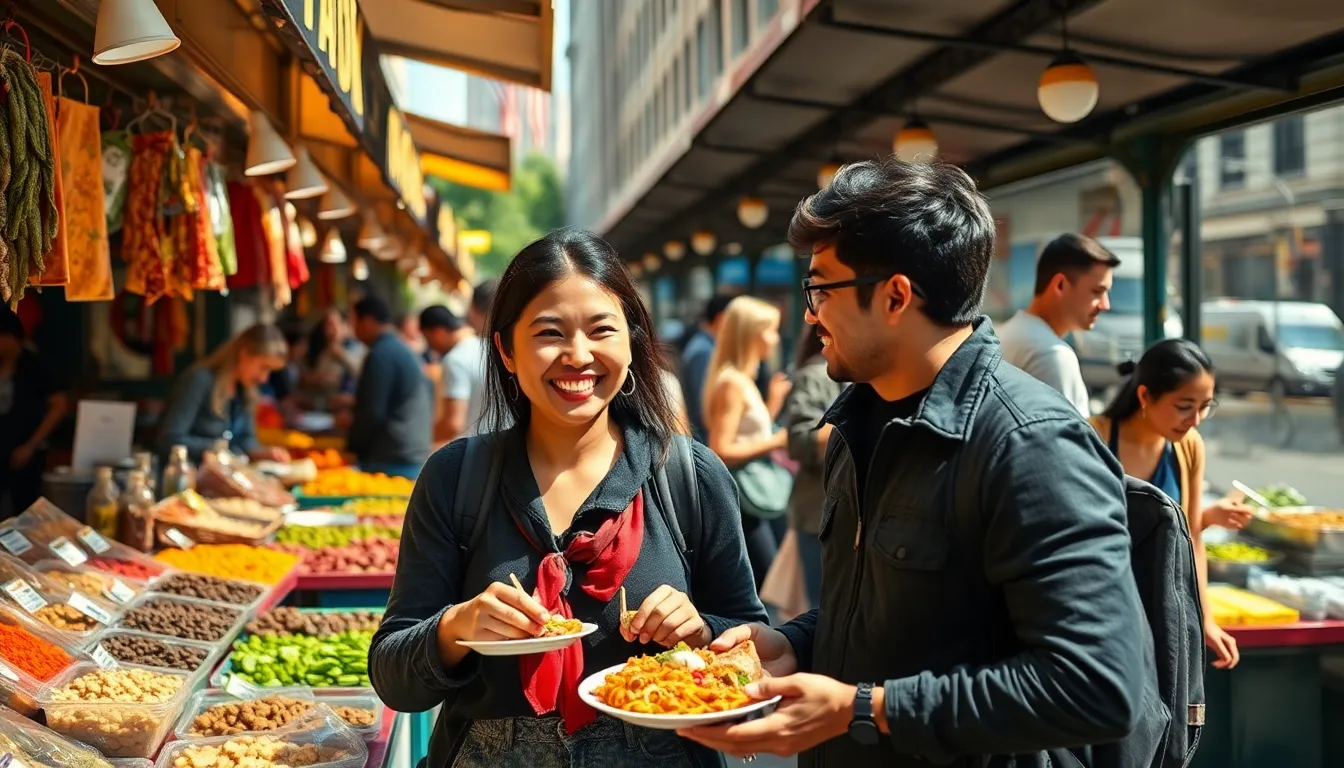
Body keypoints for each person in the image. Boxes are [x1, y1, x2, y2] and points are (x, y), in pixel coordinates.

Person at [680, 158, 1145, 766]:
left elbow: (1098, 686)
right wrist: (796, 642)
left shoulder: (1029, 442)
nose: (811, 314)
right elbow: (893, 619)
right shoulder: (860, 420)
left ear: (896, 295)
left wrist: (865, 710)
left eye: (821, 288)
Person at [368, 227, 767, 768]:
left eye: (602, 330)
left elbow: (754, 646)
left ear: (631, 342)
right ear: (506, 350)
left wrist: (701, 630)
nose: (578, 356)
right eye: (549, 333)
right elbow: (394, 677)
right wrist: (455, 628)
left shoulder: (689, 474)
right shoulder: (454, 477)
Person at [1090, 338, 1253, 670]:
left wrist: (1205, 617)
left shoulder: (1189, 446)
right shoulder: (1095, 437)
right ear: (1145, 396)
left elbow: (1192, 539)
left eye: (1206, 406)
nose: (1195, 420)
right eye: (1184, 406)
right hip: (1103, 613)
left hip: (1164, 608)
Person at [703, 296, 791, 589]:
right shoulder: (732, 383)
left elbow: (746, 430)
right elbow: (721, 448)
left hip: (751, 496)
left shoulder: (740, 379)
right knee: (762, 579)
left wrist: (772, 407)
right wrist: (777, 440)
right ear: (751, 334)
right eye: (770, 329)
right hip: (744, 498)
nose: (775, 338)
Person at [996, 233, 1119, 416]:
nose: (1105, 304)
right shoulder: (1052, 354)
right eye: (1097, 291)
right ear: (1060, 285)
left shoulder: (1006, 333)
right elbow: (1067, 442)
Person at [157, 324, 291, 464]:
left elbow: (246, 440)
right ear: (244, 353)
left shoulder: (247, 391)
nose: (264, 378)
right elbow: (169, 440)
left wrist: (264, 453)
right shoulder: (199, 381)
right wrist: (217, 449)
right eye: (264, 367)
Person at [780, 328, 845, 607]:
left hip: (848, 516)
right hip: (819, 515)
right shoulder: (816, 375)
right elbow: (798, 442)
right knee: (823, 611)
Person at [344, 297, 434, 478]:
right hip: (409, 451)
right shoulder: (399, 348)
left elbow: (372, 411)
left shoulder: (381, 354)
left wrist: (351, 446)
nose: (353, 330)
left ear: (368, 322)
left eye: (354, 322)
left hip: (392, 458)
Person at [0, 308, 68, 517]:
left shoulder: (35, 366)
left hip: (27, 451)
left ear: (12, 338)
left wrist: (31, 445)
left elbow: (59, 405)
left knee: (28, 513)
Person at [298, 310, 362, 411]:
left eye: (333, 325)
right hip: (326, 409)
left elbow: (361, 373)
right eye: (326, 326)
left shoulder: (357, 349)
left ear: (345, 326)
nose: (329, 330)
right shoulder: (324, 351)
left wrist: (341, 356)